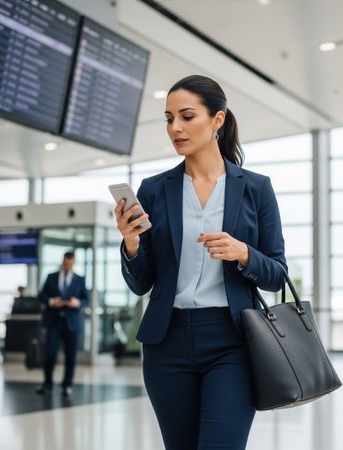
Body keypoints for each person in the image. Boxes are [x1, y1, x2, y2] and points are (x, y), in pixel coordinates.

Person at [115, 75, 287, 450]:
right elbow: (141, 282)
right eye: (168, 118)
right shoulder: (154, 189)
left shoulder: (255, 188)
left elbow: (277, 274)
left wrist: (243, 253)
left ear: (217, 121)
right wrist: (131, 245)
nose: (175, 128)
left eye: (186, 116)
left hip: (232, 342)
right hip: (167, 342)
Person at [36, 251, 88, 397]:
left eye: (70, 264)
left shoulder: (80, 279)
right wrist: (52, 301)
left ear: (74, 262)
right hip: (54, 322)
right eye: (65, 263)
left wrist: (76, 303)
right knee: (50, 354)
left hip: (72, 323)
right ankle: (47, 383)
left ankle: (67, 385)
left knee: (71, 356)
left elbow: (86, 299)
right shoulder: (51, 277)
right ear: (63, 261)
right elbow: (42, 296)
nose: (67, 266)